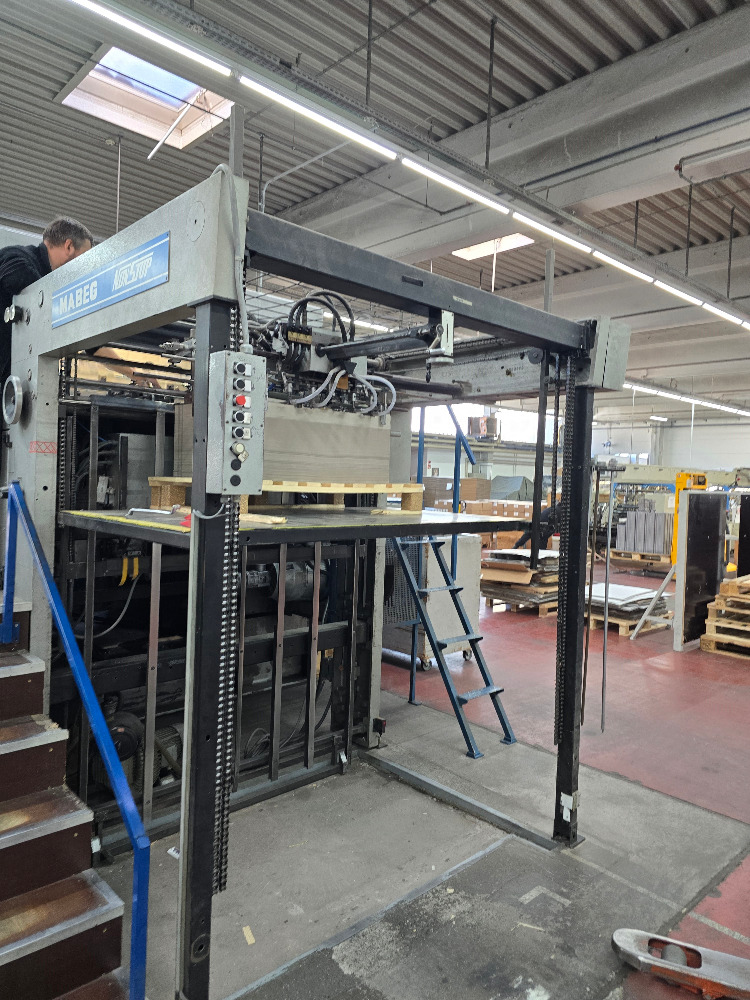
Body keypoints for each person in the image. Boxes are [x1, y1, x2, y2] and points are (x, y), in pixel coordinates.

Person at [0, 217, 93, 387]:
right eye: (84, 258)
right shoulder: (18, 258)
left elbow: (93, 344)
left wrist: (133, 374)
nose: (83, 269)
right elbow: (18, 279)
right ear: (69, 246)